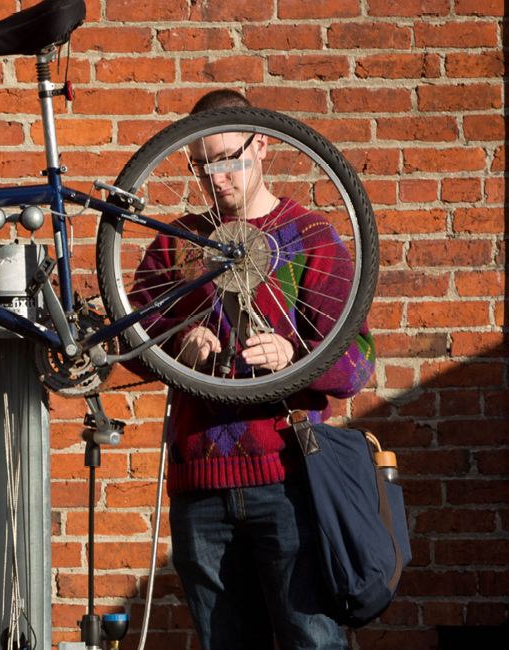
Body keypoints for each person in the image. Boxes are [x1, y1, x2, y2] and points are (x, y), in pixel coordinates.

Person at [126, 89, 375, 649]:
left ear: (262, 144)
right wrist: (175, 347)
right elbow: (131, 342)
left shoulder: (311, 237)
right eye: (200, 164)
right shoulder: (176, 243)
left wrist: (297, 359)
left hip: (289, 480)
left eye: (226, 158)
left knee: (314, 642)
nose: (215, 177)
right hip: (201, 488)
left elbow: (359, 360)